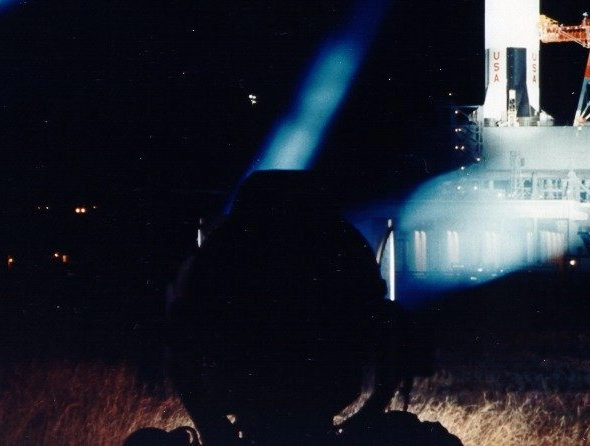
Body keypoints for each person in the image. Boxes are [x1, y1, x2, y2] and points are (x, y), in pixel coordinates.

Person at [156, 169, 457, 445]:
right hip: (315, 410)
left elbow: (182, 344)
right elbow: (389, 330)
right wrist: (371, 412)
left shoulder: (224, 249)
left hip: (254, 410)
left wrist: (211, 425)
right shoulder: (343, 246)